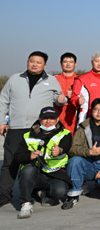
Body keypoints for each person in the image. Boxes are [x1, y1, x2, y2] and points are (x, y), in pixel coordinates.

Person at [0, 51, 66, 208]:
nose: (34, 64)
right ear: (27, 62)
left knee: (38, 161)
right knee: (10, 162)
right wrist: (2, 121)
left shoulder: (51, 80)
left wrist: (62, 100)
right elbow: (3, 100)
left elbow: (59, 99)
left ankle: (36, 190)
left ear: (44, 65)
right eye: (32, 61)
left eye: (38, 62)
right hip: (16, 127)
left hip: (38, 129)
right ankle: (4, 194)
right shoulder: (15, 79)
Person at [62, 98, 100, 209]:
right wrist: (89, 152)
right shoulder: (83, 127)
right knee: (74, 161)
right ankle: (74, 193)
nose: (99, 112)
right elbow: (72, 149)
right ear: (92, 111)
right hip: (89, 164)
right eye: (96, 109)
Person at [13, 107, 72, 218]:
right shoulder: (27, 135)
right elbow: (17, 157)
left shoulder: (65, 134)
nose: (48, 121)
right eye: (45, 118)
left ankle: (44, 193)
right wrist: (29, 156)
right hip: (34, 173)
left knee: (60, 191)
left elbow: (66, 146)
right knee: (27, 171)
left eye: (52, 118)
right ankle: (26, 204)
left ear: (57, 120)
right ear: (39, 119)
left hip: (54, 173)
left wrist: (60, 150)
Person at [70, 51, 100, 127]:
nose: (99, 64)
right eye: (97, 61)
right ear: (92, 62)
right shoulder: (81, 79)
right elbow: (73, 98)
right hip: (86, 118)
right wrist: (78, 101)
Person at [55, 52, 79, 134]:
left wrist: (74, 95)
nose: (68, 64)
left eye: (71, 62)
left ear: (75, 64)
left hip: (73, 116)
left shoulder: (80, 80)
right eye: (65, 62)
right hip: (57, 115)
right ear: (61, 64)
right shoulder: (54, 79)